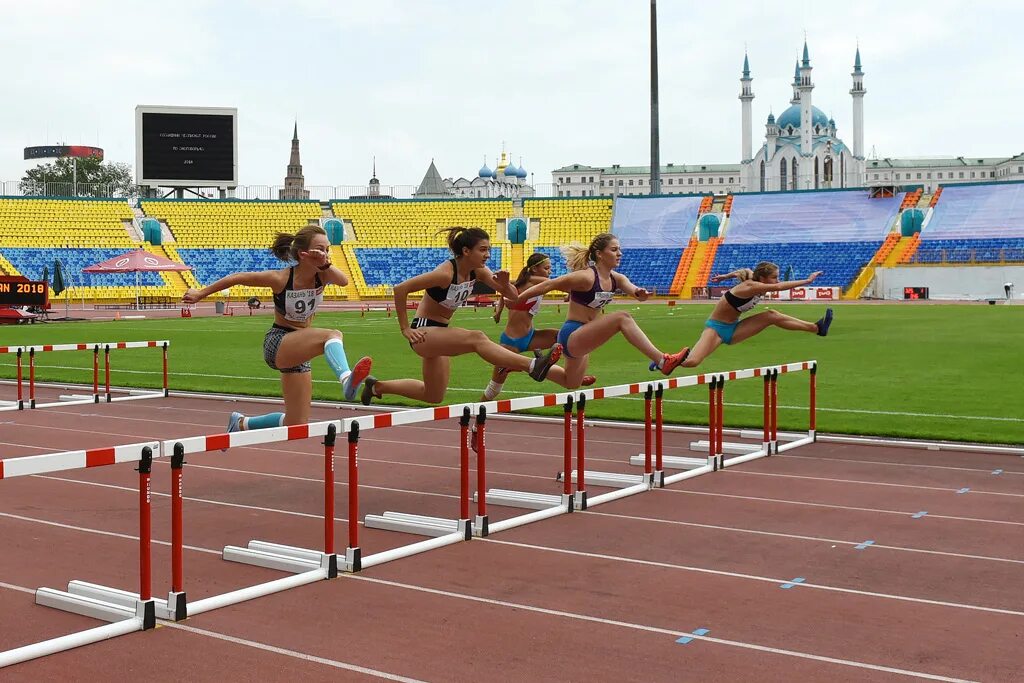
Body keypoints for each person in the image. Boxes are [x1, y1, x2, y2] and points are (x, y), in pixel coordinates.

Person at [182, 225, 372, 441]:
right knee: (332, 334)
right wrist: (200, 293)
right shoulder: (281, 279)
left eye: (327, 249)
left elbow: (344, 281)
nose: (325, 254)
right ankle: (347, 379)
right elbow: (238, 277)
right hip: (279, 342)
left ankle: (241, 423)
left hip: (300, 350)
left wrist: (325, 262)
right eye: (320, 249)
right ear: (303, 254)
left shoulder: (324, 274)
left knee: (297, 424)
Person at [360, 227, 562, 406]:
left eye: (488, 250)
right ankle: (532, 366)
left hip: (440, 334)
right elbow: (400, 289)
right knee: (477, 337)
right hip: (423, 331)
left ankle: (376, 387)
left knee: (433, 395)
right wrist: (405, 328)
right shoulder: (445, 274)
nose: (488, 255)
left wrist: (503, 284)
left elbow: (513, 296)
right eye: (483, 250)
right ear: (466, 251)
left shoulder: (479, 272)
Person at [512, 233, 688, 388]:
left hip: (586, 335)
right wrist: (517, 299)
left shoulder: (617, 278)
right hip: (572, 333)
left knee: (570, 383)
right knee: (622, 318)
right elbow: (549, 284)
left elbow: (635, 292)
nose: (619, 253)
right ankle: (662, 360)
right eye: (614, 250)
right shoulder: (586, 277)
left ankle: (529, 364)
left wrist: (640, 293)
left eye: (619, 249)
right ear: (599, 254)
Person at [665, 261, 833, 370]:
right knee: (692, 362)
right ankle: (663, 361)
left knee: (771, 315)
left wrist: (725, 276)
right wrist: (807, 281)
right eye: (774, 277)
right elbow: (779, 287)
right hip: (715, 329)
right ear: (762, 278)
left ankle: (817, 328)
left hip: (735, 328)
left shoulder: (752, 277)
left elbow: (743, 270)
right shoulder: (750, 287)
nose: (777, 280)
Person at [479, 252, 596, 401]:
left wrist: (498, 311)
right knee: (494, 389)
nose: (550, 271)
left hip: (531, 337)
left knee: (570, 339)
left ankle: (574, 376)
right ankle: (473, 415)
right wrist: (575, 291)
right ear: (534, 269)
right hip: (511, 343)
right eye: (547, 268)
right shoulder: (536, 280)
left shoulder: (523, 282)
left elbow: (505, 291)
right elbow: (560, 284)